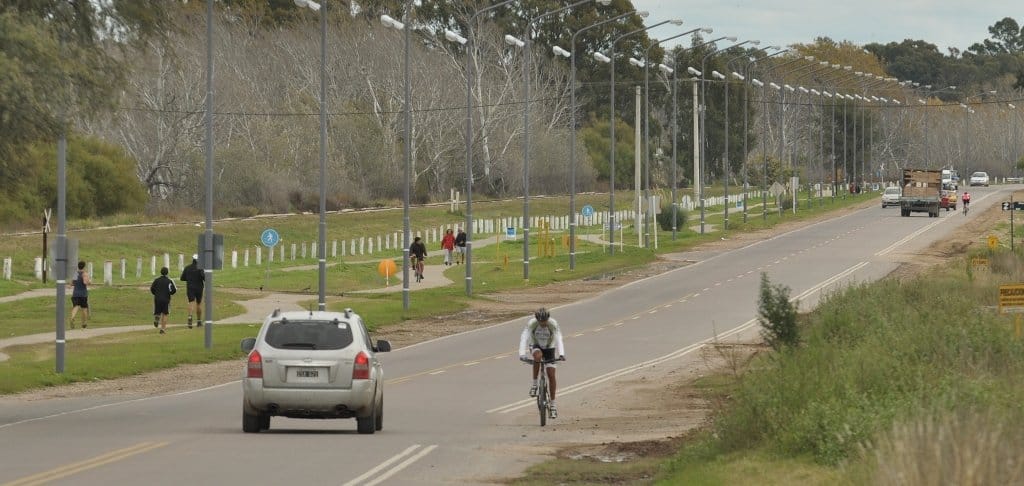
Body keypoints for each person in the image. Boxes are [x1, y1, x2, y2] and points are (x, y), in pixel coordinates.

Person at [518, 307, 565, 418]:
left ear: (548, 319)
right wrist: (522, 354)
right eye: (541, 322)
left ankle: (553, 406)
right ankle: (534, 385)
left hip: (549, 347)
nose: (543, 324)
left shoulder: (553, 324)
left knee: (551, 375)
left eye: (544, 322)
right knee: (537, 357)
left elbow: (559, 338)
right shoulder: (532, 323)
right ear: (537, 320)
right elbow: (524, 337)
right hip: (536, 345)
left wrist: (562, 354)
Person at [180, 254, 205, 329]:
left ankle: (190, 317)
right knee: (198, 303)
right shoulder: (200, 268)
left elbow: (182, 278)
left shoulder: (187, 268)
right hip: (199, 288)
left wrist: (189, 279)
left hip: (190, 287)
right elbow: (204, 278)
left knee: (191, 302)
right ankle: (199, 321)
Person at [151, 267, 177, 334]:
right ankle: (162, 329)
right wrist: (170, 293)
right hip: (166, 299)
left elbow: (152, 288)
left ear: (161, 272)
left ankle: (157, 317)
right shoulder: (170, 280)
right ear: (167, 273)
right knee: (165, 314)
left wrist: (155, 294)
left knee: (158, 312)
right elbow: (174, 290)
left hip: (157, 298)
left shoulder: (156, 280)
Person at [68, 261, 91, 329]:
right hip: (83, 294)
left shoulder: (75, 274)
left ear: (78, 266)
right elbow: (85, 282)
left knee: (75, 306)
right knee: (84, 309)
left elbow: (71, 283)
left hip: (75, 294)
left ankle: (72, 318)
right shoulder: (84, 274)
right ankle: (84, 324)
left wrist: (72, 285)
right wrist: (89, 281)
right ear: (84, 266)